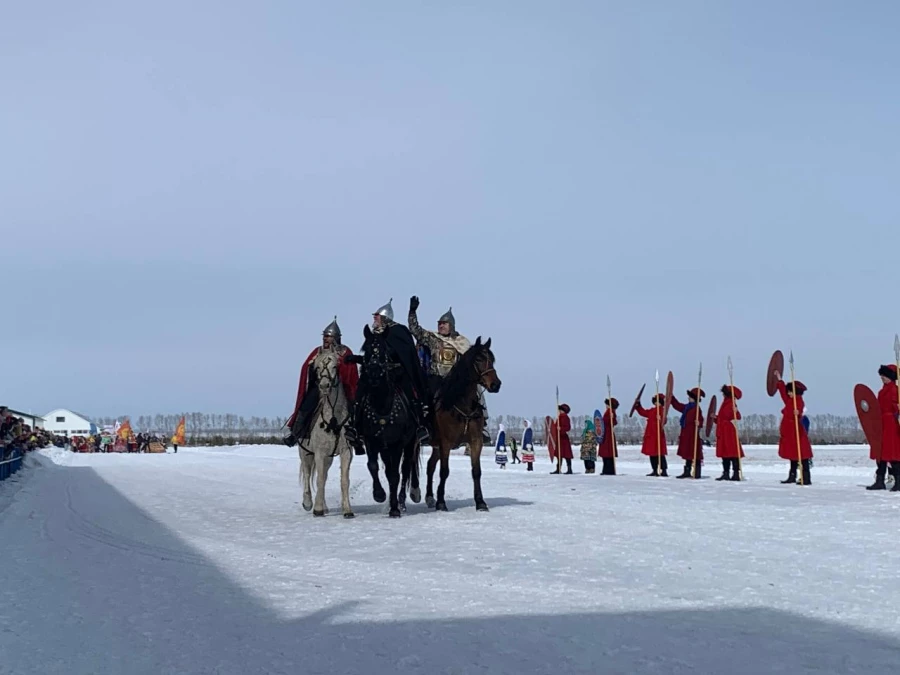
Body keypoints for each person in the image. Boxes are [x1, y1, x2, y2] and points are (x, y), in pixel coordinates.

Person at [407, 296, 492, 444]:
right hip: (437, 377)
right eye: (439, 324)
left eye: (444, 324)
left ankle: (482, 424)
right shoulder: (432, 338)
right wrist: (412, 312)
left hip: (456, 379)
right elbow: (415, 330)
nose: (441, 326)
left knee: (476, 390)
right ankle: (424, 426)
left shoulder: (462, 342)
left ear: (451, 325)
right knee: (428, 396)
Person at [284, 317, 359, 448]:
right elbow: (305, 367)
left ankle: (356, 436)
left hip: (340, 386)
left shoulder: (344, 352)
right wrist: (311, 366)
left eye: (328, 336)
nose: (325, 339)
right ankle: (296, 433)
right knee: (306, 405)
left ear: (336, 337)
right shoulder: (317, 351)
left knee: (353, 408)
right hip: (319, 386)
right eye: (324, 336)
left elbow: (350, 371)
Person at [366, 299, 431, 445]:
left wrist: (392, 354)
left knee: (410, 394)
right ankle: (356, 426)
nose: (374, 319)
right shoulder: (374, 334)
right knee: (362, 392)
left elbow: (406, 352)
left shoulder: (398, 331)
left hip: (397, 372)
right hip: (377, 374)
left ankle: (420, 425)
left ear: (384, 317)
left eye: (376, 316)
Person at [773, 372, 813, 485]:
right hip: (790, 433)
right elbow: (782, 393)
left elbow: (800, 410)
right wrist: (779, 379)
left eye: (790, 391)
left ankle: (806, 478)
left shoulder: (798, 400)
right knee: (793, 455)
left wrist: (798, 413)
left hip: (797, 432)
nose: (788, 393)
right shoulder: (790, 400)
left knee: (802, 455)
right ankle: (792, 476)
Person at [867, 364, 900, 491]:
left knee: (892, 453)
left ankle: (898, 480)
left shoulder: (895, 390)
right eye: (881, 375)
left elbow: (895, 407)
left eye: (885, 376)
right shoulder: (881, 392)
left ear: (891, 377)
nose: (882, 378)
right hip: (881, 424)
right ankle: (879, 480)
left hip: (891, 423)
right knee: (880, 453)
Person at [670, 388, 705, 479]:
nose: (688, 398)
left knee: (695, 453)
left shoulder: (697, 409)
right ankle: (687, 471)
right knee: (688, 453)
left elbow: (701, 419)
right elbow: (677, 406)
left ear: (694, 398)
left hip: (693, 434)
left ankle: (697, 472)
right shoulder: (687, 407)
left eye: (690, 397)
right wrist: (671, 397)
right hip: (686, 433)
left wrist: (699, 423)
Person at [712, 384, 744, 481]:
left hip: (729, 431)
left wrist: (736, 412)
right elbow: (722, 418)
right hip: (723, 430)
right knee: (725, 452)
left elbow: (737, 416)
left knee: (732, 452)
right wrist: (716, 418)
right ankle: (726, 473)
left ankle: (735, 473)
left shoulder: (731, 403)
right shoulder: (725, 403)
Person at [635, 394, 668, 476]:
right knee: (652, 454)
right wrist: (638, 405)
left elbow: (665, 420)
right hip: (651, 436)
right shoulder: (652, 411)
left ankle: (663, 470)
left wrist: (661, 419)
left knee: (660, 454)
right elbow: (643, 412)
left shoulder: (662, 410)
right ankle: (654, 469)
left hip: (658, 436)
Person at [597, 398, 619, 475]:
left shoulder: (611, 412)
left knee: (608, 453)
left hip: (608, 434)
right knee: (605, 453)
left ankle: (609, 470)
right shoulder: (608, 412)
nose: (606, 406)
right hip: (605, 433)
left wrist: (612, 418)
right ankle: (606, 469)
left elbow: (613, 422)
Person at [550, 404, 573, 474]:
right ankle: (558, 469)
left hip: (563, 439)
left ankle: (569, 469)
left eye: (560, 410)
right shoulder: (559, 417)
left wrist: (561, 429)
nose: (559, 411)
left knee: (566, 455)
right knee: (559, 455)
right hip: (558, 438)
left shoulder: (565, 417)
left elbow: (568, 427)